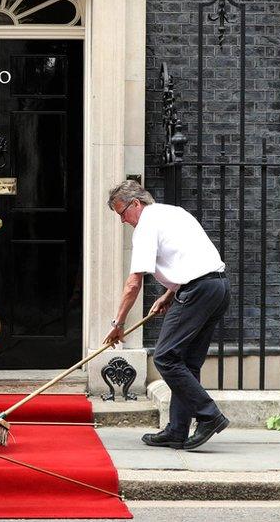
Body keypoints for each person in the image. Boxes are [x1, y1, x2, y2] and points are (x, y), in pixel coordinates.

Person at [103, 180, 231, 451]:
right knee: (187, 361)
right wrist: (169, 294)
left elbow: (133, 283)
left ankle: (209, 415)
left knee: (165, 357)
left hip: (197, 291)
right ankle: (177, 430)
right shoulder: (174, 212)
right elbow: (189, 258)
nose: (123, 221)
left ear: (136, 204)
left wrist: (118, 324)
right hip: (217, 287)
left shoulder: (146, 225)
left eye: (122, 213)